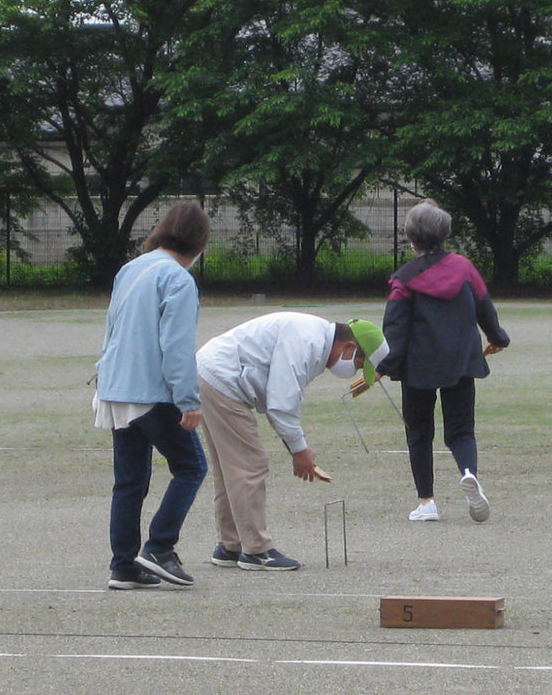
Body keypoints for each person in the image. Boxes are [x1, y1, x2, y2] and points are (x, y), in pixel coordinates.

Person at [196, 313, 388, 571]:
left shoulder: (314, 338)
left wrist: (297, 447)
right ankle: (256, 550)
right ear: (349, 346)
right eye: (358, 363)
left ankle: (231, 546)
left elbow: (279, 400)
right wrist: (300, 451)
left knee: (230, 468)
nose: (353, 370)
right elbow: (281, 403)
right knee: (249, 466)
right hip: (223, 380)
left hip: (211, 373)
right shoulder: (307, 341)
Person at [94, 201, 211, 590]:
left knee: (129, 481)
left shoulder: (131, 268)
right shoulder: (178, 279)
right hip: (150, 390)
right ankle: (160, 547)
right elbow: (176, 346)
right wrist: (188, 400)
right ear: (199, 242)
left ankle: (123, 565)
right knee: (191, 467)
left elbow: (113, 328)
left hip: (115, 387)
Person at [377, 200, 510, 523]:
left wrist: (383, 366)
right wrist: (498, 338)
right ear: (444, 234)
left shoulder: (404, 278)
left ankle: (426, 502)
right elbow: (485, 309)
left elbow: (395, 328)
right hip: (461, 361)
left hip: (418, 367)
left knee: (419, 433)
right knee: (462, 431)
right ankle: (469, 474)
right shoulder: (465, 268)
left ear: (412, 240)